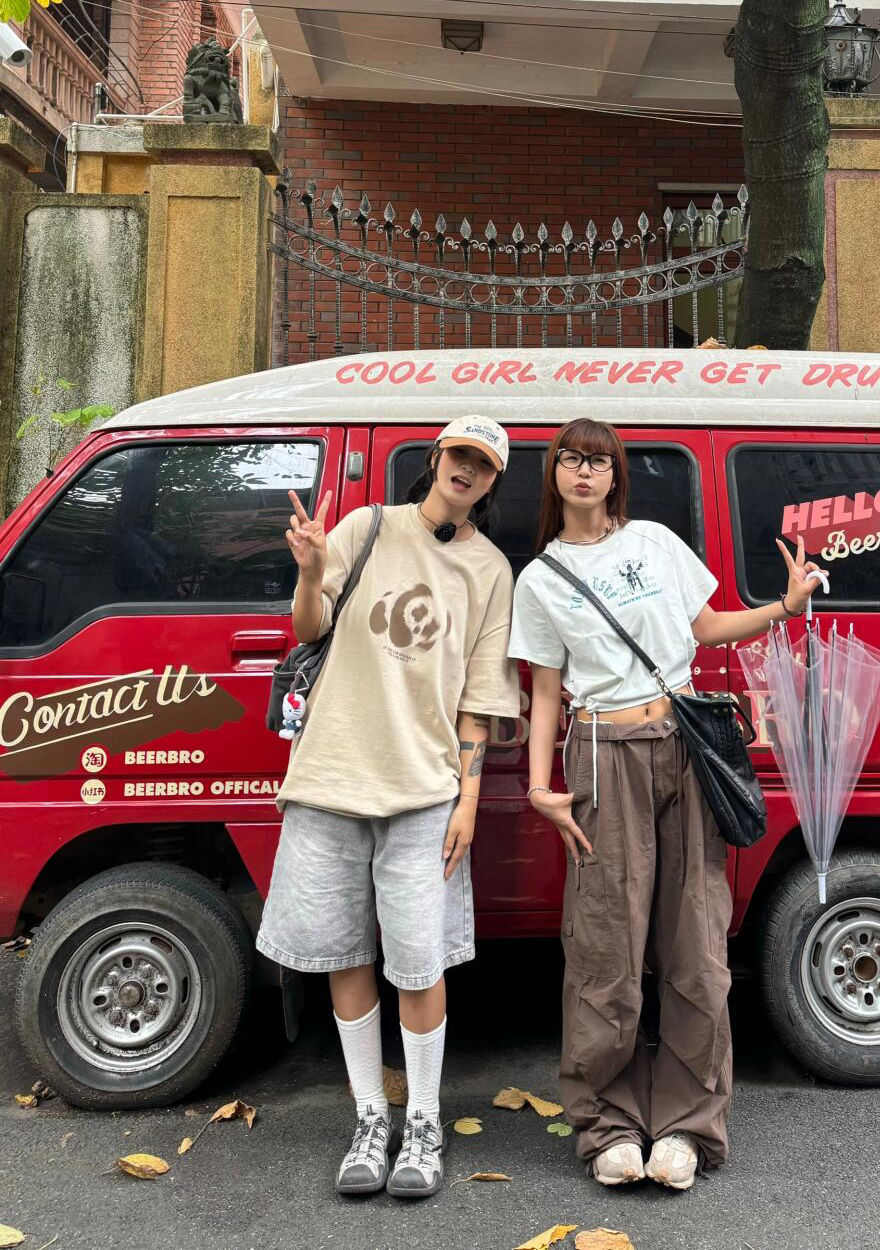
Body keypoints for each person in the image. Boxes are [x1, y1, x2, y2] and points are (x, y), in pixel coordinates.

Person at [508, 418, 827, 1191]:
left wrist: (784, 608)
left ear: (616, 476)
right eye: (570, 460)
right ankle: (607, 1125)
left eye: (598, 461)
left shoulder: (653, 543)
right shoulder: (540, 579)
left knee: (695, 941)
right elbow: (545, 690)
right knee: (605, 949)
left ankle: (688, 1125)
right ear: (554, 476)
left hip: (682, 748)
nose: (584, 472)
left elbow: (705, 629)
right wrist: (541, 786)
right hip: (599, 755)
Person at [256, 415, 520, 1200]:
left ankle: (425, 1122)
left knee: (419, 961)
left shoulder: (490, 569)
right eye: (459, 454)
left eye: (483, 463)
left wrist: (469, 797)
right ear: (436, 458)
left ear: (492, 481)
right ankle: (371, 1117)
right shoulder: (367, 525)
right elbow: (308, 627)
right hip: (331, 776)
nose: (466, 470)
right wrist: (310, 571)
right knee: (345, 955)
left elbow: (480, 699)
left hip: (425, 790)